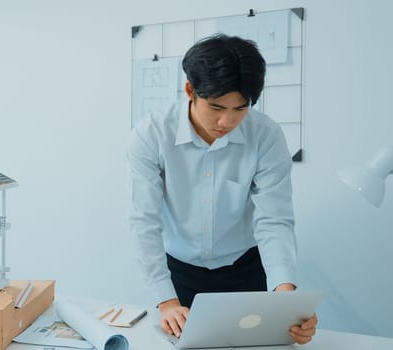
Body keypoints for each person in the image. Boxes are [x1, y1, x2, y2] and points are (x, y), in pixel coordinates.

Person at [127, 34, 317, 345]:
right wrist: (166, 300)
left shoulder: (265, 135)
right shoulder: (151, 135)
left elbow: (274, 220)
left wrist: (286, 299)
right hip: (179, 273)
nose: (227, 120)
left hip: (245, 268)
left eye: (240, 108)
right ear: (190, 90)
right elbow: (144, 221)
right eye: (216, 107)